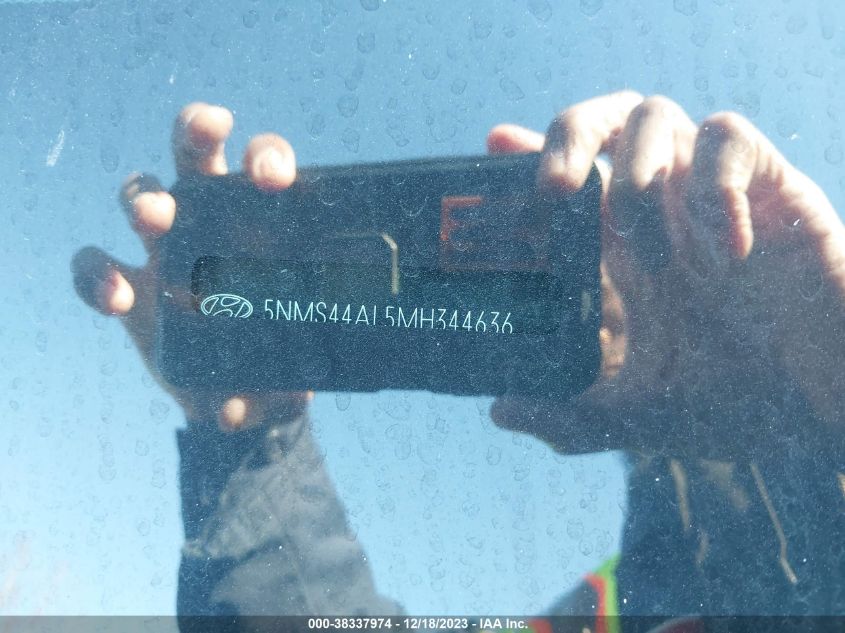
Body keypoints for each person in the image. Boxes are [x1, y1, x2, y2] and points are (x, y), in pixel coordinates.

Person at [71, 93, 845, 629]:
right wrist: (254, 442)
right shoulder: (597, 610)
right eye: (514, 265)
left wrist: (830, 381)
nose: (601, 284)